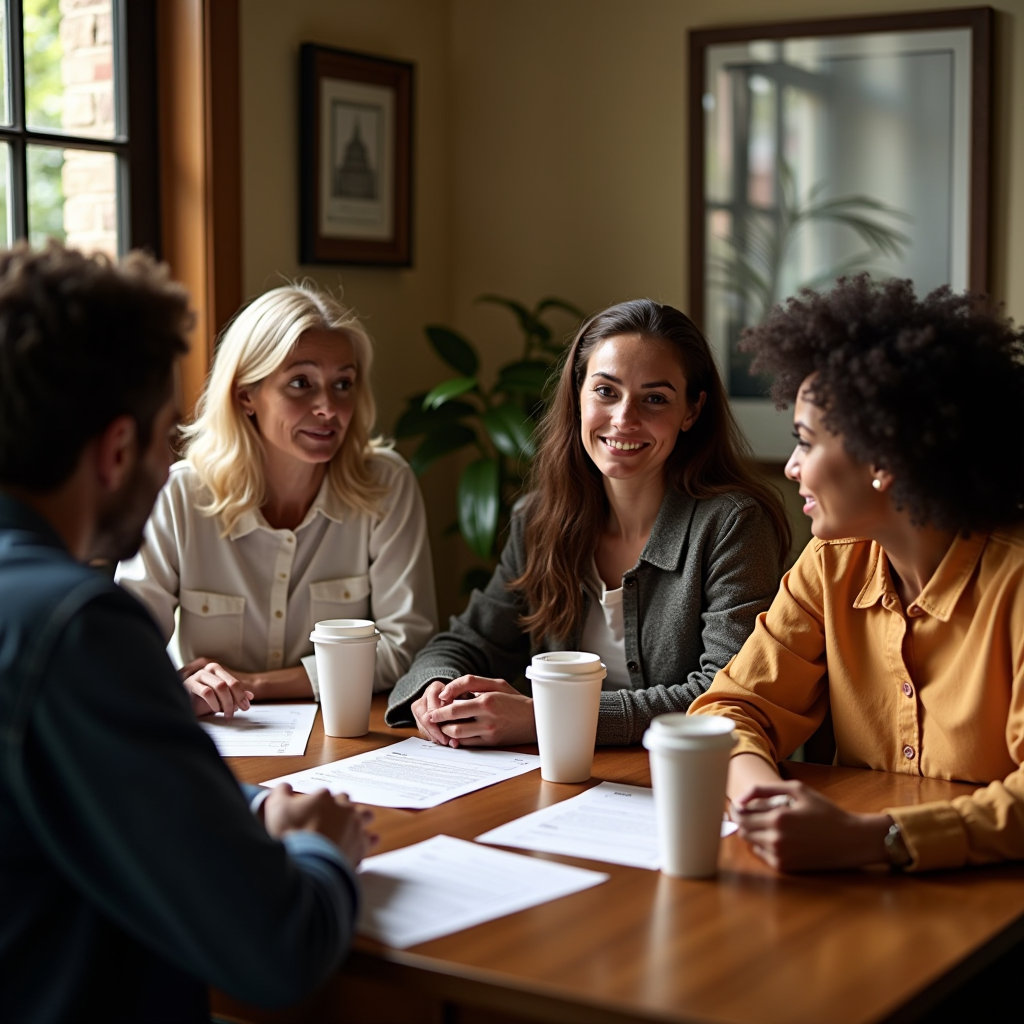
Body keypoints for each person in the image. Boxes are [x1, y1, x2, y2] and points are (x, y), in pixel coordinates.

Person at [0, 243, 375, 1023]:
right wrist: (321, 847)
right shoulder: (75, 629)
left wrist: (240, 813)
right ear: (116, 450)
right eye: (168, 428)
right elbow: (278, 948)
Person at [689, 275, 1024, 872]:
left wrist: (874, 839)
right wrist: (757, 800)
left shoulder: (1017, 583)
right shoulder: (832, 562)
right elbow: (731, 707)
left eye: (805, 442)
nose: (791, 467)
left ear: (883, 462)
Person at [386, 298, 792, 746]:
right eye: (606, 391)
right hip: (561, 783)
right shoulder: (539, 520)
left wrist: (549, 718)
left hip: (681, 782)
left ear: (691, 411)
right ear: (578, 393)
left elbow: (726, 694)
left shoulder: (733, 525)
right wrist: (435, 691)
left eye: (655, 398)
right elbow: (466, 641)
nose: (624, 419)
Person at [116, 283, 437, 718]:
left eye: (343, 384)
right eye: (301, 383)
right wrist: (180, 683)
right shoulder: (179, 496)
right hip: (217, 736)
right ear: (246, 394)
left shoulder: (386, 485)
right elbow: (124, 647)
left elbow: (407, 647)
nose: (328, 407)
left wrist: (252, 686)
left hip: (347, 738)